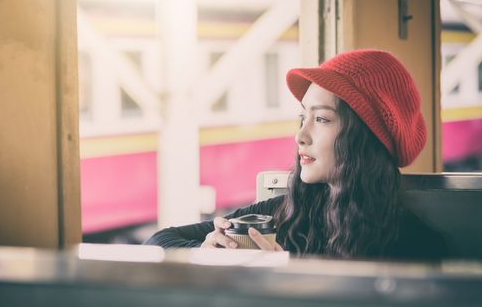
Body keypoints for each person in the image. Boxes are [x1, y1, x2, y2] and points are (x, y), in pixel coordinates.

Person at [144, 49, 448, 260]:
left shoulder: (416, 244)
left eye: (322, 119)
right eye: (303, 118)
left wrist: (288, 281)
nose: (300, 137)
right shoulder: (281, 213)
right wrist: (203, 252)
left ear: (365, 138)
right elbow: (158, 242)